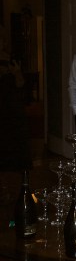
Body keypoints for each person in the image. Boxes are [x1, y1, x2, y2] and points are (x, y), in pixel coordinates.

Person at [0, 24, 31, 171]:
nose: (3, 42)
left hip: (13, 108)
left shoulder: (11, 58)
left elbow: (21, 83)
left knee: (16, 147)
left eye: (3, 38)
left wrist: (17, 72)